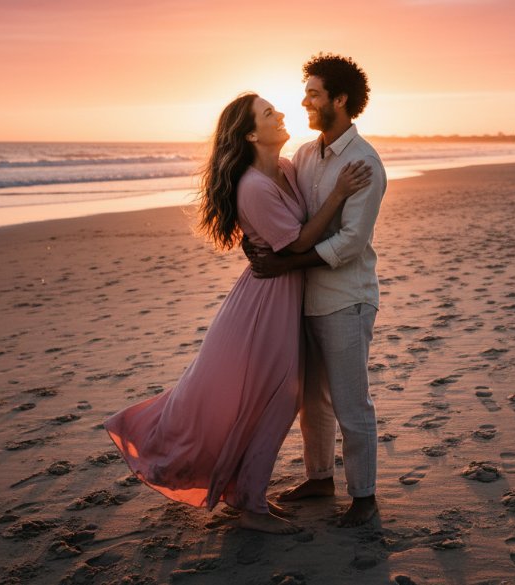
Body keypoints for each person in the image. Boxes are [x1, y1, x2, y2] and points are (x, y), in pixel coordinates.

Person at [103, 92, 371, 534]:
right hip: (265, 303)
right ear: (251, 133)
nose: (282, 113)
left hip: (286, 296)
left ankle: (248, 495)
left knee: (280, 400)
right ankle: (248, 505)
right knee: (269, 398)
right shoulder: (253, 186)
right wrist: (341, 190)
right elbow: (299, 242)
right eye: (269, 113)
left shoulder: (285, 169)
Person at [246, 54, 388, 527]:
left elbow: (350, 243)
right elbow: (289, 214)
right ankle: (320, 477)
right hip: (304, 297)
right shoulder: (305, 156)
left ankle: (364, 498)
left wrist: (286, 261)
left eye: (314, 93)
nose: (304, 101)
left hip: (347, 297)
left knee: (351, 401)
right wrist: (253, 236)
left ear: (340, 100)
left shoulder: (364, 162)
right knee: (312, 401)